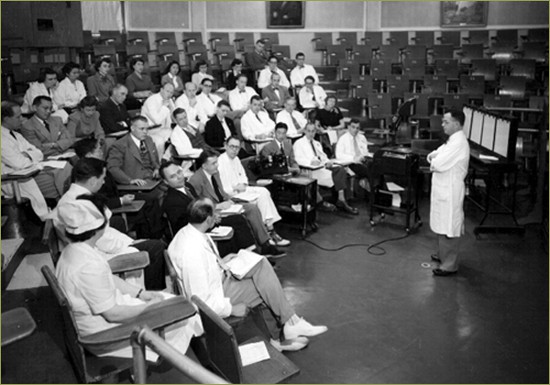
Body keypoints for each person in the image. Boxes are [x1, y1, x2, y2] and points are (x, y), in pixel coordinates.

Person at [167, 198, 328, 351]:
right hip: (214, 299)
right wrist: (231, 309)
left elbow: (203, 272)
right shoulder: (191, 252)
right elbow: (201, 300)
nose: (218, 215)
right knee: (264, 287)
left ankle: (289, 324)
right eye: (215, 212)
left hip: (218, 281)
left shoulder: (188, 232)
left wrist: (222, 262)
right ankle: (284, 332)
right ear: (208, 219)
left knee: (261, 265)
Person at [55, 196, 201, 360]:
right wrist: (149, 308)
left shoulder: (73, 250)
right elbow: (113, 315)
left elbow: (108, 279)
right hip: (104, 334)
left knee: (171, 300)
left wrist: (140, 293)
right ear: (98, 229)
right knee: (185, 316)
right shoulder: (89, 266)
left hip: (103, 315)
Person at [53, 159, 167, 290]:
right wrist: (131, 243)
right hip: (94, 254)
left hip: (97, 245)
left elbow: (105, 232)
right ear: (92, 181)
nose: (103, 182)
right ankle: (154, 293)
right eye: (102, 178)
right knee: (156, 247)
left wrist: (128, 240)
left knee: (121, 224)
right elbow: (102, 240)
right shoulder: (77, 204)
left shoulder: (76, 194)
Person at [188, 150, 285, 257]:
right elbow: (197, 205)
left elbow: (221, 192)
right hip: (214, 210)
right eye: (213, 163)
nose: (217, 165)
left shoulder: (215, 173)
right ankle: (254, 252)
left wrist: (228, 199)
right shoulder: (196, 180)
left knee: (252, 208)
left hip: (225, 204)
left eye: (217, 162)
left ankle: (265, 243)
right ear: (204, 166)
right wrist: (217, 206)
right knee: (241, 217)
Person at [160, 160, 257, 257]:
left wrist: (213, 215)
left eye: (179, 172)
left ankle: (249, 253)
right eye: (173, 176)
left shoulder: (188, 187)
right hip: (197, 230)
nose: (179, 177)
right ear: (165, 181)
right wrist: (210, 220)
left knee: (237, 219)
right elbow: (182, 224)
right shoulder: (170, 201)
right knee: (235, 224)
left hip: (207, 220)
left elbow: (201, 206)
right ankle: (245, 255)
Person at [74, 138, 165, 239]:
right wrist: (121, 200)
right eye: (98, 150)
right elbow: (96, 202)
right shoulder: (87, 174)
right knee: (147, 209)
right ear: (89, 155)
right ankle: (152, 239)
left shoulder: (98, 165)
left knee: (151, 198)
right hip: (112, 210)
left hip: (118, 196)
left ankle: (156, 237)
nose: (101, 152)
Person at [1, 101, 72, 218]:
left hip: (30, 171)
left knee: (65, 168)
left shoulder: (15, 134)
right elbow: (19, 163)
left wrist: (27, 155)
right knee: (57, 181)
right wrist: (29, 155)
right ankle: (63, 213)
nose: (21, 119)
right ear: (6, 119)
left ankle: (67, 209)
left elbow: (38, 153)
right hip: (15, 179)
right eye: (18, 117)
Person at [218, 136, 290, 247]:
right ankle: (270, 232)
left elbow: (244, 177)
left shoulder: (236, 159)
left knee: (264, 192)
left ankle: (269, 229)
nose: (234, 150)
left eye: (237, 147)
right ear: (226, 146)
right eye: (232, 147)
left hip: (242, 190)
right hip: (232, 195)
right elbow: (223, 188)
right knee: (260, 198)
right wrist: (236, 188)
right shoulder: (221, 162)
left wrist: (243, 184)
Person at [427, 109, 470, 276]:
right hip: (443, 187)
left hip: (451, 189)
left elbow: (437, 163)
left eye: (446, 122)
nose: (442, 124)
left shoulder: (458, 143)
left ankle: (450, 265)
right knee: (442, 222)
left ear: (457, 124)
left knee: (449, 226)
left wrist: (434, 159)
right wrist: (434, 158)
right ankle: (443, 255)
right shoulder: (452, 140)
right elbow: (434, 155)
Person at [294, 123, 358, 215]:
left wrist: (328, 161)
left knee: (340, 169)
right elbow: (298, 159)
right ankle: (328, 201)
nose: (311, 133)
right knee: (335, 174)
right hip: (310, 170)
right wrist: (310, 162)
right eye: (308, 131)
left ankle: (341, 199)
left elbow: (323, 156)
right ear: (304, 131)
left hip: (322, 167)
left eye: (313, 131)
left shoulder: (316, 143)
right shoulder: (299, 143)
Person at [106, 116, 164, 202]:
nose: (145, 132)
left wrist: (156, 168)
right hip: (135, 185)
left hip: (153, 180)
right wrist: (130, 181)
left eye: (147, 129)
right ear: (132, 128)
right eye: (142, 129)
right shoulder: (120, 145)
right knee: (155, 197)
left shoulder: (149, 139)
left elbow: (155, 160)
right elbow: (112, 168)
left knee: (176, 189)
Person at [140, 83, 176, 159]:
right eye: (167, 91)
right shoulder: (152, 100)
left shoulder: (169, 100)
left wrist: (171, 108)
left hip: (163, 129)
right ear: (161, 90)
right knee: (159, 142)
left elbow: (174, 116)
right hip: (150, 131)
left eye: (171, 92)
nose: (169, 94)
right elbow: (157, 120)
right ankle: (159, 165)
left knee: (180, 136)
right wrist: (165, 107)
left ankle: (168, 160)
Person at [335, 119, 373, 188]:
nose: (355, 130)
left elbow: (365, 151)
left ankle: (378, 190)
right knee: (368, 171)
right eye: (353, 127)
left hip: (363, 160)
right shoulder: (343, 139)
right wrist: (353, 158)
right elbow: (339, 155)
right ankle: (371, 192)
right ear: (349, 127)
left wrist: (370, 156)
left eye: (357, 128)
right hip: (351, 162)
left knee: (377, 167)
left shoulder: (362, 137)